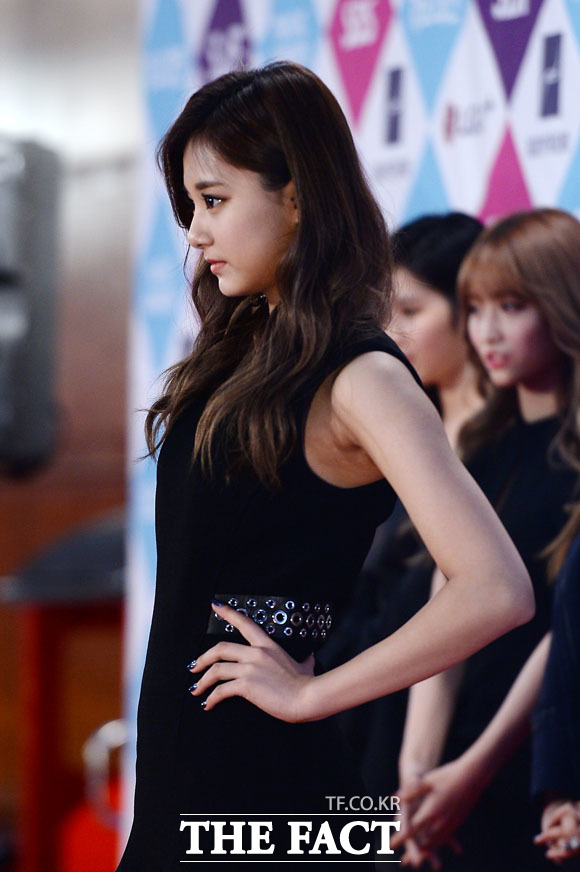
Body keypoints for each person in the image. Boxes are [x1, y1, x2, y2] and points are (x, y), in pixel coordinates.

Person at [116, 63, 533, 870]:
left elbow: (497, 587)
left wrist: (312, 694)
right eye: (190, 206)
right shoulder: (242, 353)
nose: (195, 234)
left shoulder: (363, 375)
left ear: (297, 198)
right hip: (186, 781)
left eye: (214, 201)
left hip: (269, 798)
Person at [394, 208, 580, 871]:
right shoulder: (480, 452)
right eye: (474, 309)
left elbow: (566, 633)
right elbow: (445, 613)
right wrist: (416, 773)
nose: (487, 331)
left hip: (542, 763)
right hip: (460, 766)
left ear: (562, 304)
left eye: (512, 306)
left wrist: (474, 769)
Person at [318, 212, 484, 798]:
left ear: (473, 309)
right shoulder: (387, 434)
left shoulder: (510, 450)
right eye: (384, 313)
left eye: (412, 311)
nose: (392, 332)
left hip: (457, 748)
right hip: (360, 728)